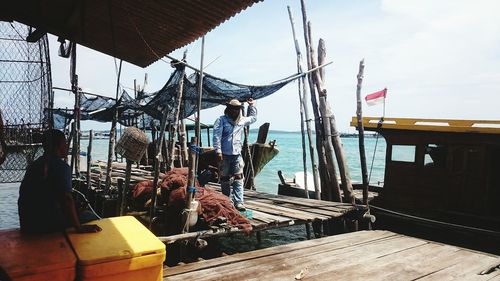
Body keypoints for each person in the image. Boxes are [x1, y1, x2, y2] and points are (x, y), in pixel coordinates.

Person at [18, 129, 101, 234]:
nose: (67, 146)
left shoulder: (34, 165)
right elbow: (67, 200)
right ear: (58, 146)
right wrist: (79, 228)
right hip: (47, 226)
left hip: (28, 225)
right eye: (65, 143)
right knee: (90, 216)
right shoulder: (61, 167)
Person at [213, 98, 256, 211]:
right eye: (233, 109)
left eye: (237, 109)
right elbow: (216, 136)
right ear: (228, 109)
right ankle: (227, 201)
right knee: (225, 179)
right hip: (225, 155)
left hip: (237, 155)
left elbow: (253, 118)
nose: (235, 111)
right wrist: (218, 151)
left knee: (238, 178)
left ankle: (239, 202)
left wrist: (251, 106)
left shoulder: (241, 120)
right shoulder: (221, 120)